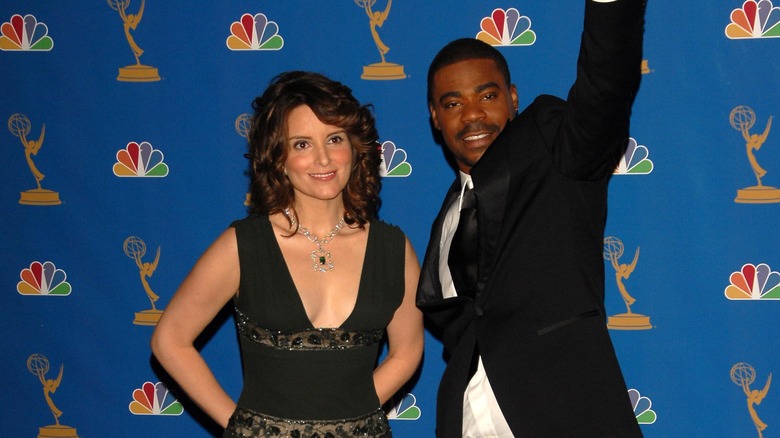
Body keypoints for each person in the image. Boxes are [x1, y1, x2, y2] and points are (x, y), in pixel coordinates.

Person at [416, 1, 646, 436]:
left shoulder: (553, 153)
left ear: (513, 98)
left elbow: (604, 88)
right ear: (435, 118)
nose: (472, 115)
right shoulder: (446, 218)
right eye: (452, 103)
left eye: (487, 95)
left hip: (566, 414)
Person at [151, 71, 424, 438]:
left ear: (356, 148)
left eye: (334, 138)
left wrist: (350, 416)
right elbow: (170, 340)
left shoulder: (393, 249)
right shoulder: (243, 246)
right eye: (301, 144)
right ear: (277, 157)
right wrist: (244, 427)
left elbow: (407, 352)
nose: (323, 158)